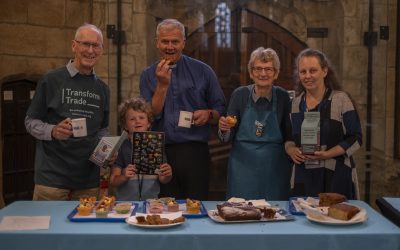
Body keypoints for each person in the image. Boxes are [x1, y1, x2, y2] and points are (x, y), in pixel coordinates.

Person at [140, 19, 226, 200]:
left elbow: (221, 110)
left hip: (194, 151)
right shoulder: (147, 75)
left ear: (183, 43)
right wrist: (162, 85)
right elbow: (151, 115)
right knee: (163, 209)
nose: (169, 46)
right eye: (165, 41)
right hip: (158, 150)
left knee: (195, 206)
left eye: (175, 41)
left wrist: (209, 114)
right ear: (157, 42)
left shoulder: (204, 71)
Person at [25, 23, 110, 200]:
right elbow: (30, 122)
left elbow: (102, 130)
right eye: (85, 44)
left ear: (102, 50)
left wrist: (107, 150)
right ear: (74, 46)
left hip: (88, 182)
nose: (90, 50)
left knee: (84, 228)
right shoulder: (51, 80)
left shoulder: (103, 88)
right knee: (48, 228)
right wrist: (53, 131)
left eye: (96, 45)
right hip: (51, 180)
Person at [285, 48, 362, 199]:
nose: (308, 76)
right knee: (304, 220)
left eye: (313, 70)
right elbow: (288, 138)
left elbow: (356, 138)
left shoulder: (341, 100)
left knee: (337, 218)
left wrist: (327, 154)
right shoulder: (295, 104)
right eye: (303, 71)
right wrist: (291, 149)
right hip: (304, 176)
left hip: (337, 175)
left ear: (324, 71)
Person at [218, 47, 292, 200]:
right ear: (251, 73)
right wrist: (224, 128)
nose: (263, 74)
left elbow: (289, 134)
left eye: (268, 69)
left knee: (275, 214)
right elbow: (227, 136)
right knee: (240, 213)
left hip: (274, 168)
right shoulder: (240, 95)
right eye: (258, 69)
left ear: (276, 73)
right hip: (242, 169)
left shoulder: (283, 97)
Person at [109, 97, 172, 201]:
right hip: (125, 204)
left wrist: (167, 174)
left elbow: (163, 179)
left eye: (141, 118)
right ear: (125, 125)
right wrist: (124, 176)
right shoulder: (121, 147)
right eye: (132, 119)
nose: (137, 121)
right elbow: (113, 181)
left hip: (151, 203)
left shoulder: (157, 146)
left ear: (149, 123)